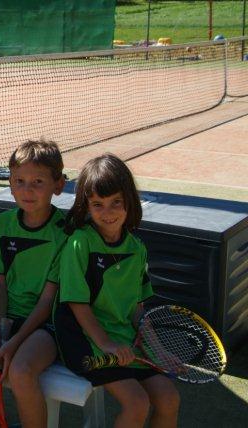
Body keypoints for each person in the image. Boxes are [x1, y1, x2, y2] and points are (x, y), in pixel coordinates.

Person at [54, 154, 180, 428]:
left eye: (116, 203)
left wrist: (158, 350)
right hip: (85, 342)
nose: (107, 212)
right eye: (97, 204)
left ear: (129, 202)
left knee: (169, 398)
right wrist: (106, 344)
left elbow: (137, 310)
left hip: (125, 341)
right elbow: (77, 304)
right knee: (137, 403)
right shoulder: (79, 243)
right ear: (86, 205)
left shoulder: (136, 248)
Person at [0, 139, 67, 428]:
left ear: (58, 185)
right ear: (9, 183)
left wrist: (14, 342)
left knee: (21, 371)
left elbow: (47, 301)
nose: (27, 190)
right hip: (4, 316)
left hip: (46, 325)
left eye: (38, 182)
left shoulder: (66, 233)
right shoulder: (5, 223)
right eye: (19, 181)